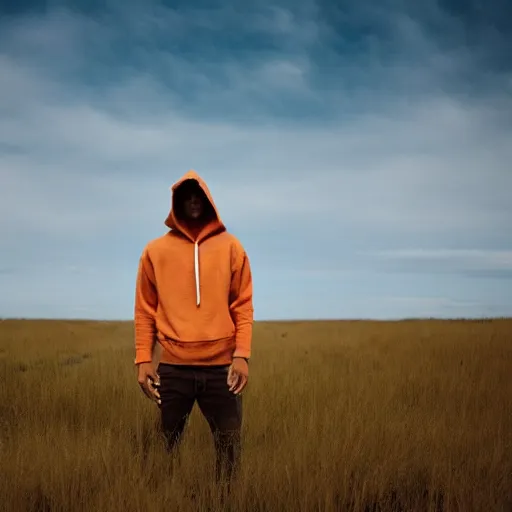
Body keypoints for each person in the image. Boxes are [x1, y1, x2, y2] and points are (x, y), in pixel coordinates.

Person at [133, 169, 254, 484]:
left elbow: (242, 304)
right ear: (176, 203)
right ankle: (165, 497)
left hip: (221, 370)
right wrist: (144, 359)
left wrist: (242, 355)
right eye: (185, 196)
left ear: (208, 200)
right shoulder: (155, 252)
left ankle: (224, 503)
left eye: (198, 195)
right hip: (173, 370)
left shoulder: (232, 248)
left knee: (228, 449)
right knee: (166, 448)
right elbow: (145, 309)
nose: (192, 201)